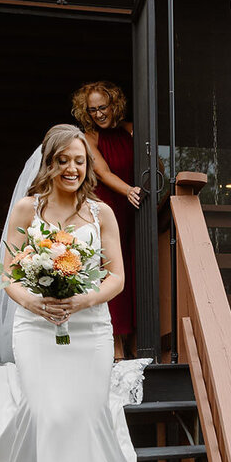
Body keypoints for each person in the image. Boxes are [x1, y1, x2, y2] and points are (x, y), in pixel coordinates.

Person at [0, 124, 145, 462]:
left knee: (84, 419)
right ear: (49, 163)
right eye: (64, 160)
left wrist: (82, 300)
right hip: (35, 330)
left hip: (90, 330)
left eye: (80, 161)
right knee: (52, 418)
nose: (72, 168)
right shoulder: (26, 209)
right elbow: (5, 273)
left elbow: (116, 278)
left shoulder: (101, 214)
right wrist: (32, 300)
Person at [71, 81, 143, 359]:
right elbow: (102, 171)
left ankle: (138, 344)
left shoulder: (131, 129)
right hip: (109, 207)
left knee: (136, 276)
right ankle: (116, 351)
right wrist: (129, 190)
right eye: (92, 110)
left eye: (103, 107)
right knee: (110, 271)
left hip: (135, 210)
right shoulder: (89, 139)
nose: (99, 114)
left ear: (115, 104)